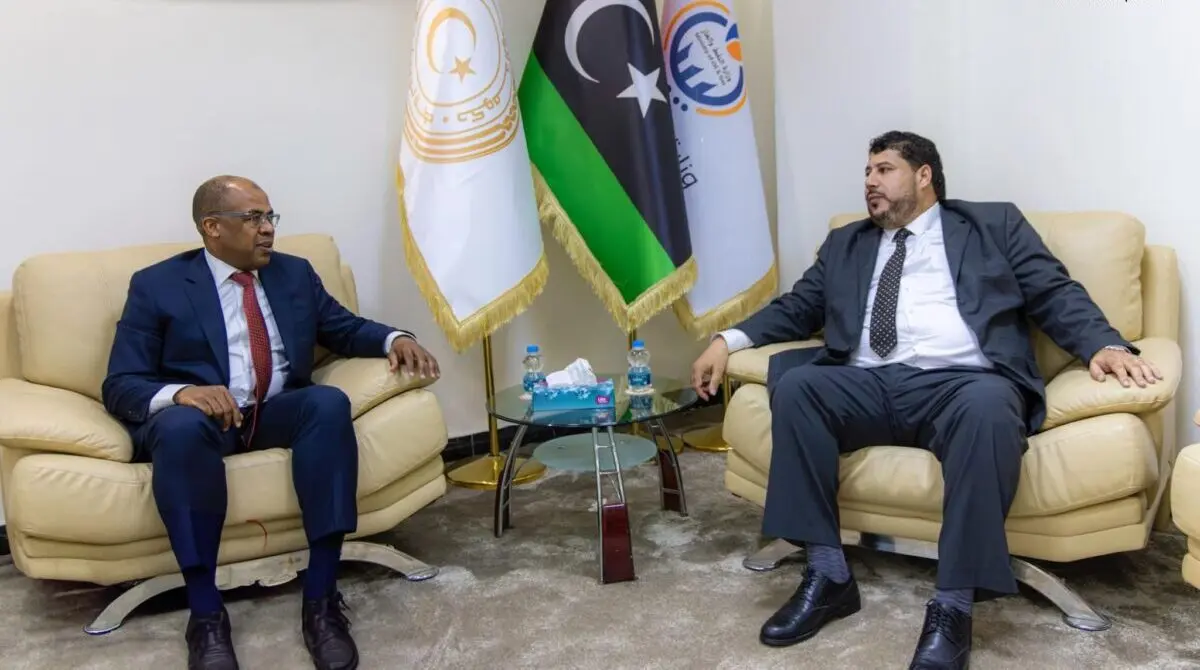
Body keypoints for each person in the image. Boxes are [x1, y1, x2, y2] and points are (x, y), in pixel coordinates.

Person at [690, 131, 1162, 670]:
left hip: (962, 383)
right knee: (799, 386)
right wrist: (727, 340)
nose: (870, 181)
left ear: (923, 176)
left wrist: (1103, 344)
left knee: (988, 409)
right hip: (867, 382)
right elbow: (798, 307)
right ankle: (827, 574)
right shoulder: (846, 242)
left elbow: (1054, 293)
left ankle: (953, 606)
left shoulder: (994, 225)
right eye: (867, 172)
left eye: (884, 169)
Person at [102, 176, 439, 670]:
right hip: (201, 423)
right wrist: (183, 394)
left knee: (325, 403)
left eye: (269, 217)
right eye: (253, 218)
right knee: (178, 429)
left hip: (271, 410)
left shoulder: (293, 273)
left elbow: (343, 328)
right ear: (212, 227)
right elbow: (120, 383)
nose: (267, 229)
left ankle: (322, 601)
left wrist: (395, 339)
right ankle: (206, 614)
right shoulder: (158, 286)